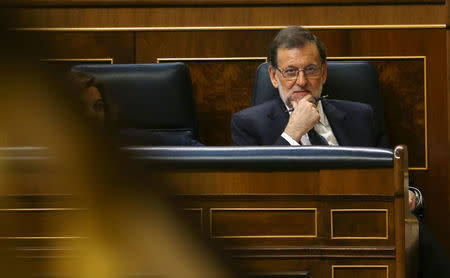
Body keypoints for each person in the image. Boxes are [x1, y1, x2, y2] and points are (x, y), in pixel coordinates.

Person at [231, 26, 450, 277]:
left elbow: (394, 176)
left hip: (365, 225)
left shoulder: (360, 116)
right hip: (296, 234)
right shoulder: (248, 124)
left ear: (323, 73)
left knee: (411, 230)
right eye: (290, 71)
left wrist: (410, 194)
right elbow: (253, 196)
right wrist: (292, 133)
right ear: (273, 76)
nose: (301, 81)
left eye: (310, 70)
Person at [66, 71, 203, 146]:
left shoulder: (122, 141)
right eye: (81, 108)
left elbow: (192, 148)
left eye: (99, 107)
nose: (93, 115)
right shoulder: (51, 153)